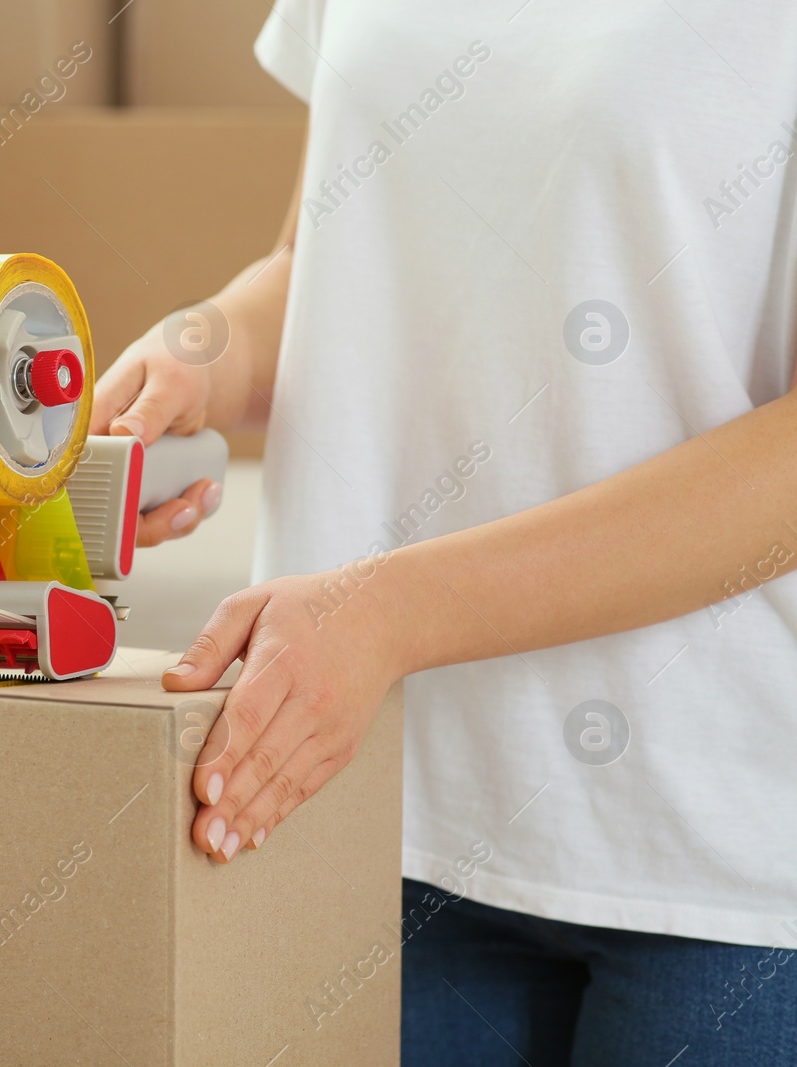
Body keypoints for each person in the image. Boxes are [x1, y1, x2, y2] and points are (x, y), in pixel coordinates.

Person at [93, 2, 797, 1063]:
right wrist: (205, 351)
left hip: (706, 864)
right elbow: (326, 252)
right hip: (371, 802)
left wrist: (389, 613)